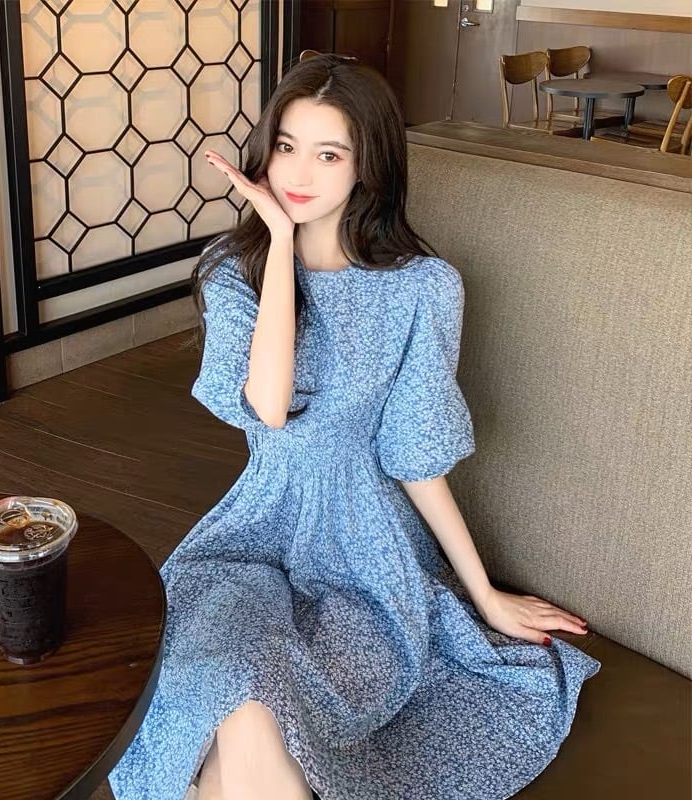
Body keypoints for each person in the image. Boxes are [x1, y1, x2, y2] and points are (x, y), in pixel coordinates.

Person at [108, 52, 600, 800]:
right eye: (286, 146)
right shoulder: (232, 272)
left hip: (366, 557)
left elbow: (415, 460)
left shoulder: (423, 289)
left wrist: (484, 594)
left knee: (261, 719)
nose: (298, 172)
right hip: (250, 542)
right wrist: (279, 245)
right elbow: (268, 405)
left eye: (329, 153)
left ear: (367, 165)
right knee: (228, 684)